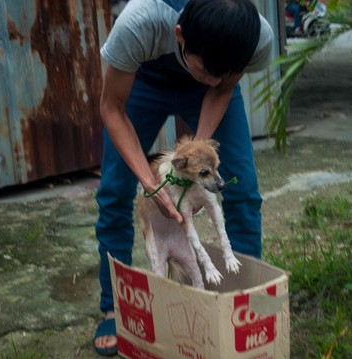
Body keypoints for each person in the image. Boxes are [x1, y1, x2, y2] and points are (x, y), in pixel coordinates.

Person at [93, 0, 274, 355]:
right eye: (207, 69)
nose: (213, 77)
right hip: (145, 78)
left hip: (210, 97)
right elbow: (111, 108)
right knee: (114, 192)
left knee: (243, 192)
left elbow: (219, 86)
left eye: (225, 70)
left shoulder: (255, 40)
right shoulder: (140, 23)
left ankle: (241, 301)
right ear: (179, 35)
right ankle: (114, 305)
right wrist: (150, 183)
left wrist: (198, 151)